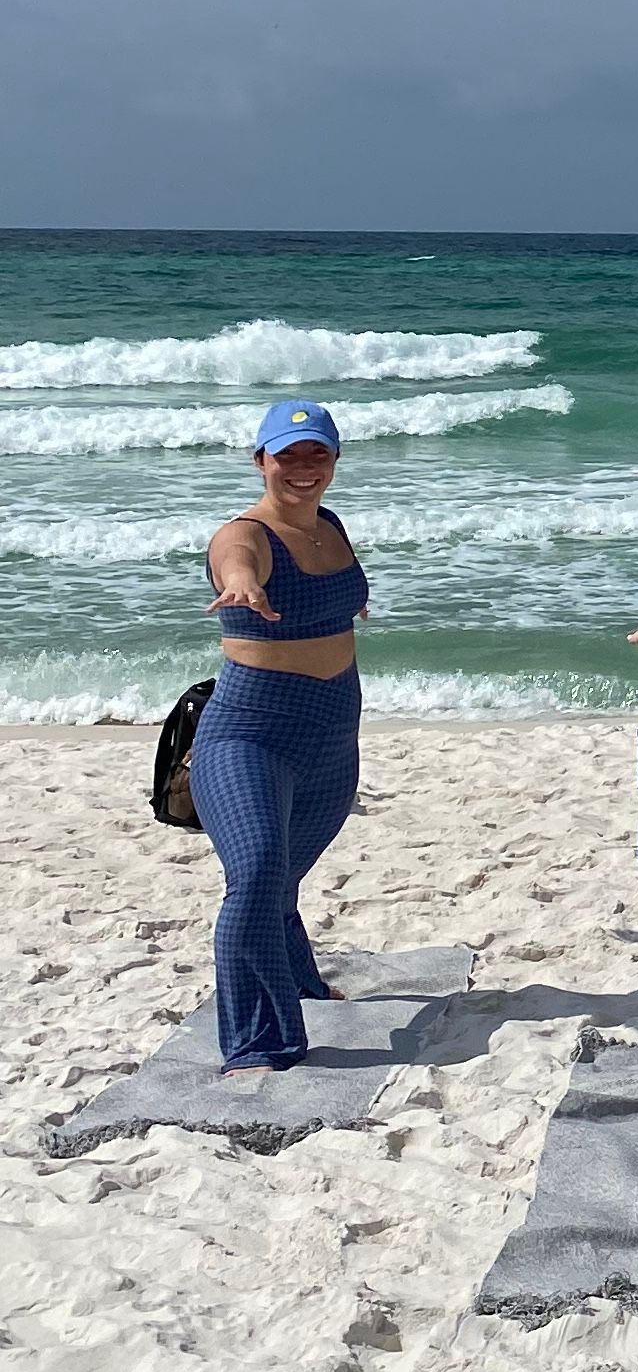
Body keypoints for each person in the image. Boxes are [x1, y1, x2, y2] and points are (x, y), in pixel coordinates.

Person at [195, 396, 369, 1073]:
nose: (302, 468)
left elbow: (340, 594)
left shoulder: (331, 525)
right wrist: (240, 584)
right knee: (258, 873)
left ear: (333, 460)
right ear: (259, 460)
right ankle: (256, 1041)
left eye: (316, 454)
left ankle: (294, 971)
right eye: (285, 456)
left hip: (331, 737)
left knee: (282, 873)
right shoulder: (243, 535)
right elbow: (235, 560)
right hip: (250, 733)